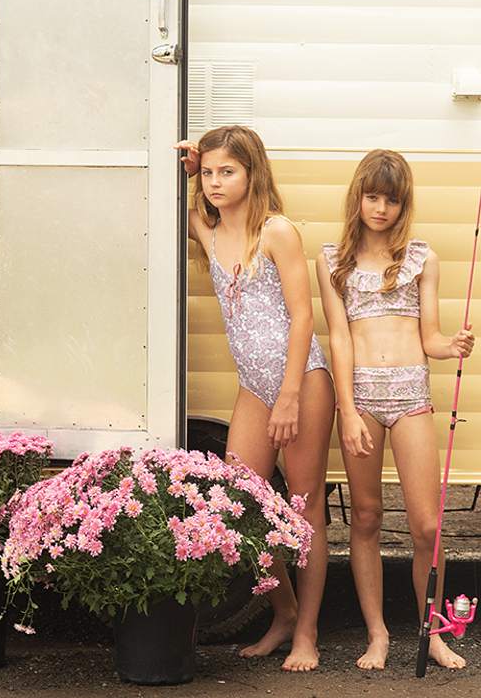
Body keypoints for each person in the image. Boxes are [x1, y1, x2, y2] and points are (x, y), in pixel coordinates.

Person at [176, 126, 335, 672]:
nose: (218, 183)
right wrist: (191, 168)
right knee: (243, 503)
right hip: (253, 386)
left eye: (229, 172)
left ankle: (308, 634)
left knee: (304, 505)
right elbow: (177, 199)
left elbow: (304, 316)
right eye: (213, 173)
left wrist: (290, 394)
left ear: (252, 173)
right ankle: (284, 612)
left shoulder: (277, 232)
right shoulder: (209, 227)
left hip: (302, 381)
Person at [316, 149, 474, 671]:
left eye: (392, 199)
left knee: (427, 524)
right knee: (365, 517)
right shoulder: (333, 260)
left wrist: (451, 345)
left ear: (403, 205)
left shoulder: (421, 258)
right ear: (358, 197)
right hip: (360, 399)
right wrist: (347, 409)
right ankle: (378, 634)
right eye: (372, 196)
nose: (380, 207)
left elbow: (428, 335)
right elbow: (339, 337)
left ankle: (430, 632)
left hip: (411, 398)